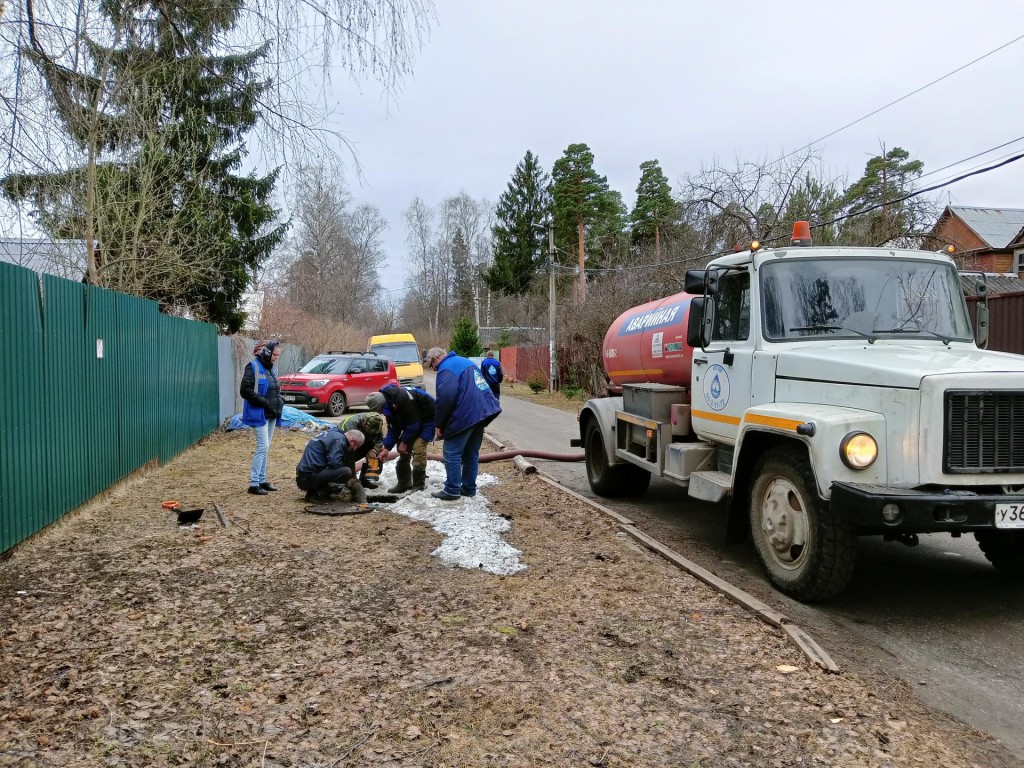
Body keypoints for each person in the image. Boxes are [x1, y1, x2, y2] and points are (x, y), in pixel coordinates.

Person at [427, 346, 501, 501]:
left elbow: (446, 398)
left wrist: (439, 424)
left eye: (431, 366)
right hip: (482, 412)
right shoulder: (464, 362)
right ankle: (468, 488)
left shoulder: (446, 368)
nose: (433, 370)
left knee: (451, 452)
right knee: (470, 453)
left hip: (466, 414)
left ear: (434, 359)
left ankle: (452, 489)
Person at [370, 384, 435, 493]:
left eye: (378, 409)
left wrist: (404, 441)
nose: (378, 412)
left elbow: (414, 425)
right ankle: (404, 482)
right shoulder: (389, 405)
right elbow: (394, 428)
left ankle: (418, 485)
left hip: (428, 419)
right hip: (414, 422)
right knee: (402, 449)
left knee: (418, 448)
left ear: (382, 404)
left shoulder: (402, 399)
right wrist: (386, 448)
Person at [239, 340, 284, 496]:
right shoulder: (253, 367)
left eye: (278, 355)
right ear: (267, 352)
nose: (276, 358)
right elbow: (245, 390)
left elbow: (274, 389)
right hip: (260, 414)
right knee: (262, 446)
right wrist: (264, 402)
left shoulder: (270, 368)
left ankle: (262, 480)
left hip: (271, 413)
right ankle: (253, 483)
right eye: (275, 355)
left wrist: (279, 402)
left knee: (266, 447)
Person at [295, 428, 367, 503]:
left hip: (302, 476)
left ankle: (313, 492)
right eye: (355, 447)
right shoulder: (338, 440)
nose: (353, 449)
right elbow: (335, 463)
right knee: (345, 471)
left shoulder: (332, 433)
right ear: (352, 442)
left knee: (339, 471)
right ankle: (319, 495)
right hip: (308, 478)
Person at [338, 410, 387, 488]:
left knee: (375, 454)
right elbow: (347, 447)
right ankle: (351, 480)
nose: (372, 433)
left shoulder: (376, 424)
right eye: (370, 431)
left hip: (363, 441)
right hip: (346, 445)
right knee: (350, 455)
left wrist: (374, 450)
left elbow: (380, 440)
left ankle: (366, 479)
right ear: (364, 424)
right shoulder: (351, 425)